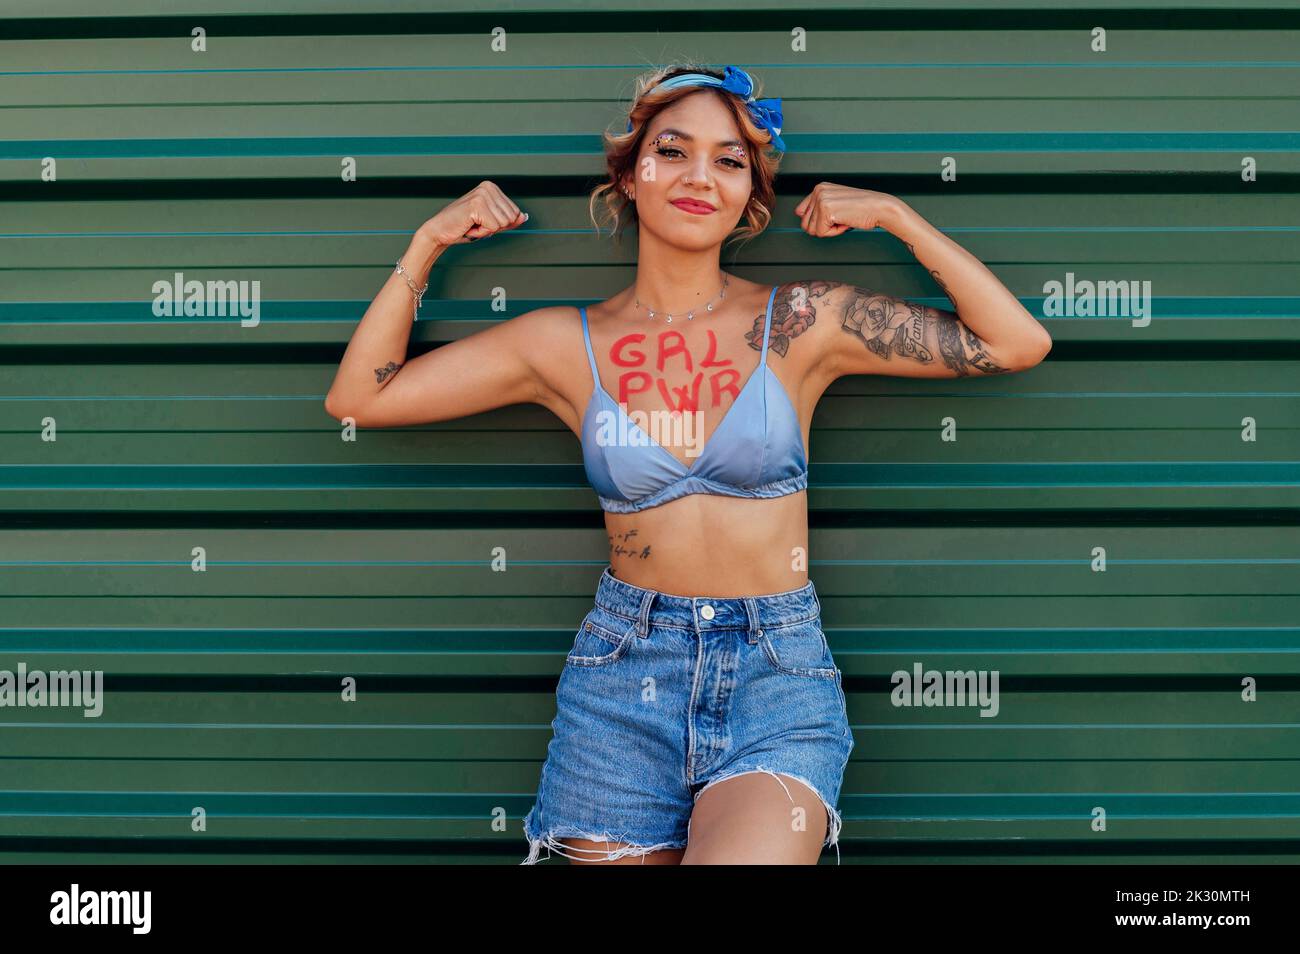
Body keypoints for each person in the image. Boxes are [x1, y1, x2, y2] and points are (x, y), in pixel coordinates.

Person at [324, 62, 1052, 865]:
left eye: (730, 160)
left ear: (752, 195)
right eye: (672, 151)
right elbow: (364, 398)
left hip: (776, 672)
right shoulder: (562, 344)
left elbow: (1013, 342)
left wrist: (895, 217)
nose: (700, 176)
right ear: (630, 176)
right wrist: (427, 242)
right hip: (620, 676)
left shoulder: (801, 323)